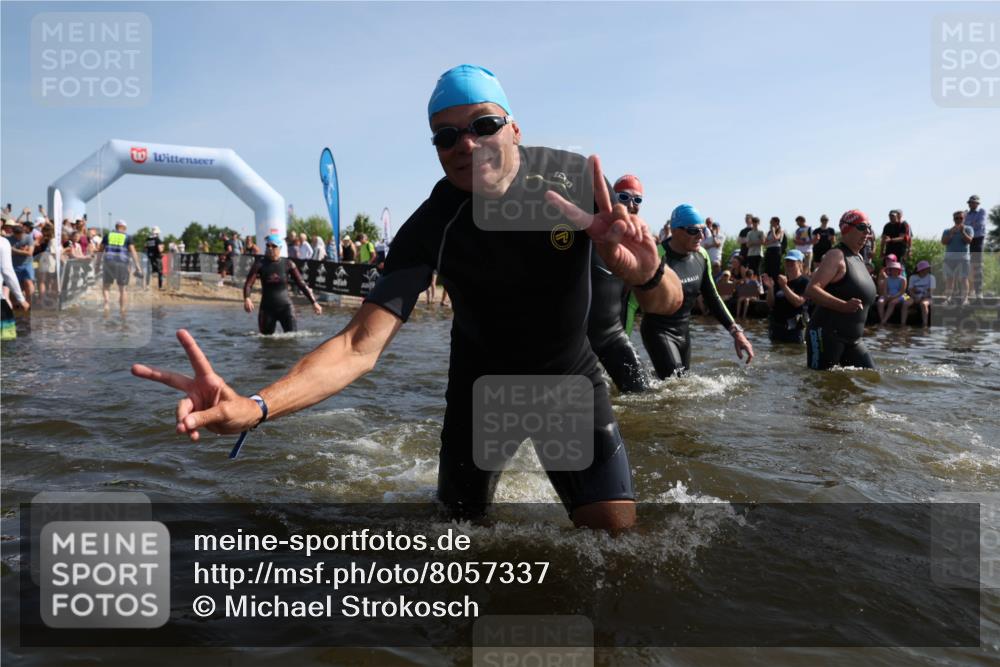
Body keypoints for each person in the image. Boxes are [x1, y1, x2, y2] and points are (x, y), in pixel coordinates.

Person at [133, 63, 684, 532]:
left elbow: (668, 305)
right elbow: (357, 346)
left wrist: (647, 270)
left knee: (616, 551)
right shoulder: (433, 223)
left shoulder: (575, 188)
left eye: (483, 125)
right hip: (479, 398)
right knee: (456, 546)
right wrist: (256, 406)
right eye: (446, 136)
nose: (466, 144)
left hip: (567, 385)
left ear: (515, 128)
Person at [639, 204, 752, 379]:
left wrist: (736, 332)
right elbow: (631, 302)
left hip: (684, 330)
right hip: (658, 330)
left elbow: (712, 296)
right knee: (675, 384)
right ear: (675, 231)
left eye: (703, 230)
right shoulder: (656, 256)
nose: (701, 236)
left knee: (682, 385)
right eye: (693, 231)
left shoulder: (701, 256)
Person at [587, 174, 650, 393]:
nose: (632, 205)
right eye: (624, 197)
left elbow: (628, 303)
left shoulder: (638, 246)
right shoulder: (590, 229)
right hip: (578, 341)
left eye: (638, 200)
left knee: (644, 396)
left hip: (611, 336)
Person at [804, 210, 878, 370]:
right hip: (826, 334)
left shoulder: (858, 258)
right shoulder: (836, 255)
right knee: (820, 384)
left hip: (853, 339)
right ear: (846, 229)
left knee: (871, 379)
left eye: (869, 228)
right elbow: (812, 290)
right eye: (862, 227)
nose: (867, 232)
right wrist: (843, 306)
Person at [242, 234, 322, 334]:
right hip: (267, 309)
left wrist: (314, 302)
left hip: (286, 308)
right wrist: (247, 298)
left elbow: (301, 284)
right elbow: (248, 284)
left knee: (293, 339)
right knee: (265, 342)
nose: (270, 248)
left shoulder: (288, 263)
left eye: (273, 246)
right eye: (268, 246)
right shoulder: (260, 264)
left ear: (280, 248)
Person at [762, 249, 809, 343]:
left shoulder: (805, 282)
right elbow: (770, 304)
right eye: (787, 261)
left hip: (794, 330)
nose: (789, 264)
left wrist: (784, 286)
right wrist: (770, 289)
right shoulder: (780, 281)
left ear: (800, 263)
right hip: (776, 328)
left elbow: (798, 302)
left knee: (792, 353)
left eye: (792, 262)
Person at [98, 220, 143, 312]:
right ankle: (122, 310)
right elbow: (133, 252)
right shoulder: (127, 237)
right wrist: (138, 267)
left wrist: (97, 264)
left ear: (116, 227)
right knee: (122, 289)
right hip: (122, 263)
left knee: (106, 286)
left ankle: (106, 305)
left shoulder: (108, 235)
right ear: (124, 228)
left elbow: (100, 250)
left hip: (108, 262)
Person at [941, 210, 974, 305]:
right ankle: (948, 299)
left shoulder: (968, 229)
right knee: (949, 279)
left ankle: (965, 299)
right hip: (949, 258)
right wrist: (951, 234)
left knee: (964, 278)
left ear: (964, 219)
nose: (958, 220)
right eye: (956, 218)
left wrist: (962, 232)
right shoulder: (947, 231)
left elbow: (969, 241)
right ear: (953, 219)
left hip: (963, 258)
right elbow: (944, 242)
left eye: (961, 218)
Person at [965, 195, 986, 301]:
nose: (971, 204)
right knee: (967, 267)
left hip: (977, 240)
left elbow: (979, 225)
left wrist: (968, 225)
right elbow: (965, 226)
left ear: (977, 203)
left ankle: (978, 292)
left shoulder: (981, 212)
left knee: (977, 266)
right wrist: (970, 224)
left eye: (973, 202)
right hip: (968, 240)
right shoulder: (966, 214)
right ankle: (970, 291)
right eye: (970, 202)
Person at [902, 260, 935, 328]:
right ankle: (903, 323)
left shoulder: (932, 277)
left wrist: (921, 297)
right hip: (912, 296)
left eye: (927, 268)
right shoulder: (912, 277)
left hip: (927, 297)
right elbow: (910, 290)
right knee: (905, 302)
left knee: (924, 304)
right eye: (925, 269)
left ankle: (925, 324)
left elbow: (931, 291)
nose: (927, 270)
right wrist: (914, 296)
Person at [9, 221, 35, 303]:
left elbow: (30, 253)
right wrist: (22, 251)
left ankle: (30, 304)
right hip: (14, 266)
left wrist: (14, 250)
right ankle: (17, 305)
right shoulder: (8, 239)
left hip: (27, 264)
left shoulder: (28, 238)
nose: (20, 237)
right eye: (18, 235)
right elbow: (8, 253)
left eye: (22, 234)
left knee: (28, 282)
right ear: (14, 233)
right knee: (16, 286)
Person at [876, 260, 907, 325]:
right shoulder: (887, 279)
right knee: (880, 302)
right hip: (889, 294)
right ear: (890, 270)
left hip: (900, 295)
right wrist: (886, 295)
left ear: (899, 271)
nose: (894, 271)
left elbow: (902, 292)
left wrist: (893, 297)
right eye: (892, 269)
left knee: (892, 303)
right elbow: (885, 290)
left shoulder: (903, 279)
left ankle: (884, 320)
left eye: (896, 269)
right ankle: (882, 319)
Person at [763, 216, 785, 282]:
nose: (770, 223)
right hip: (769, 250)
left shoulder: (780, 230)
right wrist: (770, 241)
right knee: (768, 268)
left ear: (776, 222)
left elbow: (776, 238)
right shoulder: (769, 232)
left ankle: (775, 284)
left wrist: (773, 231)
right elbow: (765, 242)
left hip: (776, 250)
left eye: (771, 222)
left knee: (775, 269)